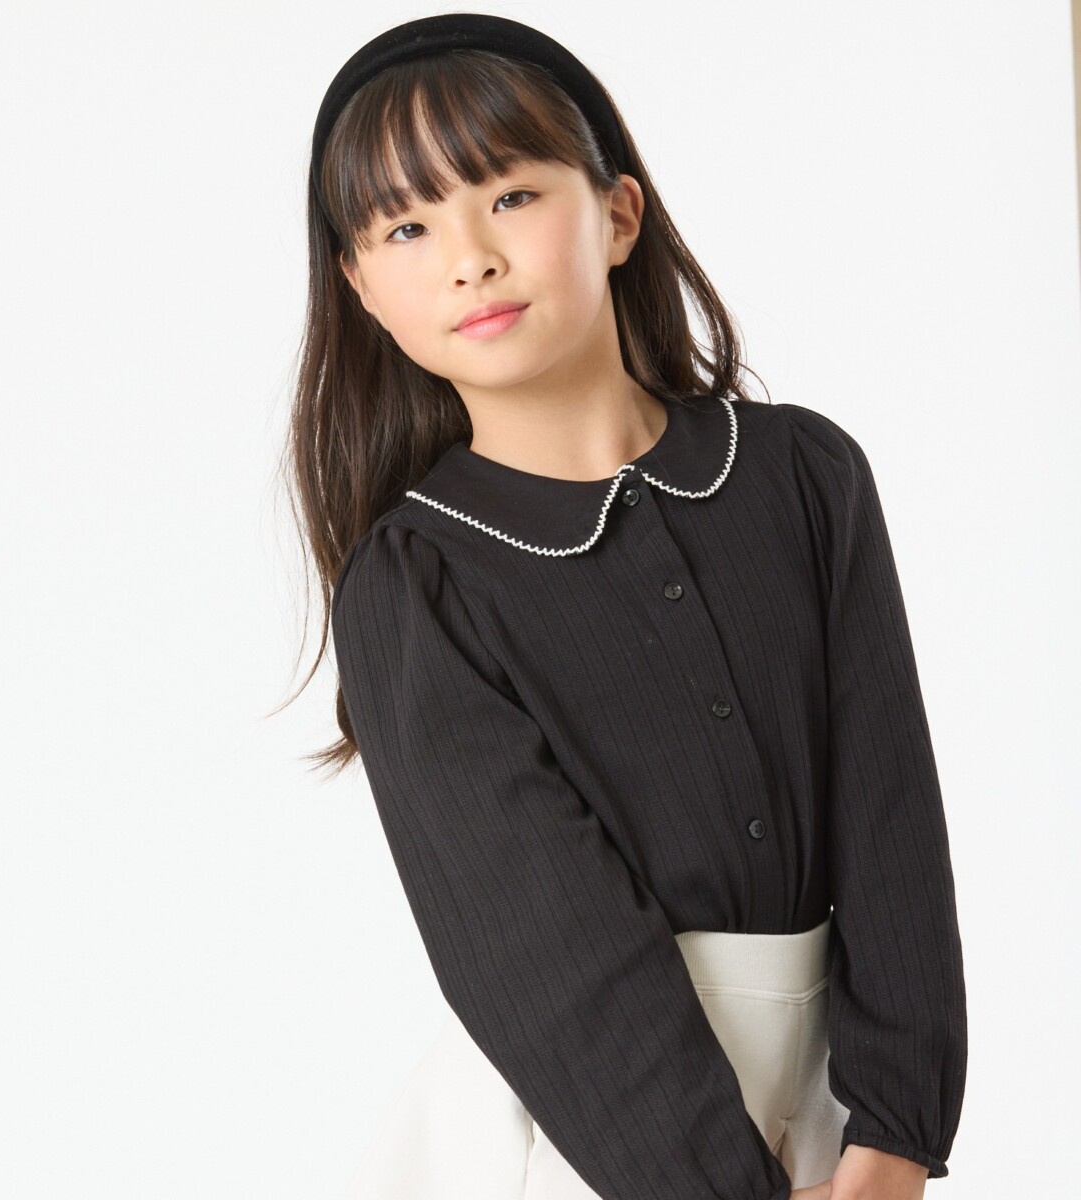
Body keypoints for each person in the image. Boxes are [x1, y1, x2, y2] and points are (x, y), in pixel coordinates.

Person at [291, 12, 968, 1200]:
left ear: (616, 214)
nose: (468, 257)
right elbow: (551, 957)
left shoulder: (803, 476)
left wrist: (897, 1141)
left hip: (840, 1128)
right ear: (362, 288)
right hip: (586, 1145)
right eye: (406, 226)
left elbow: (892, 824)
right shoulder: (416, 585)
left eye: (509, 195)